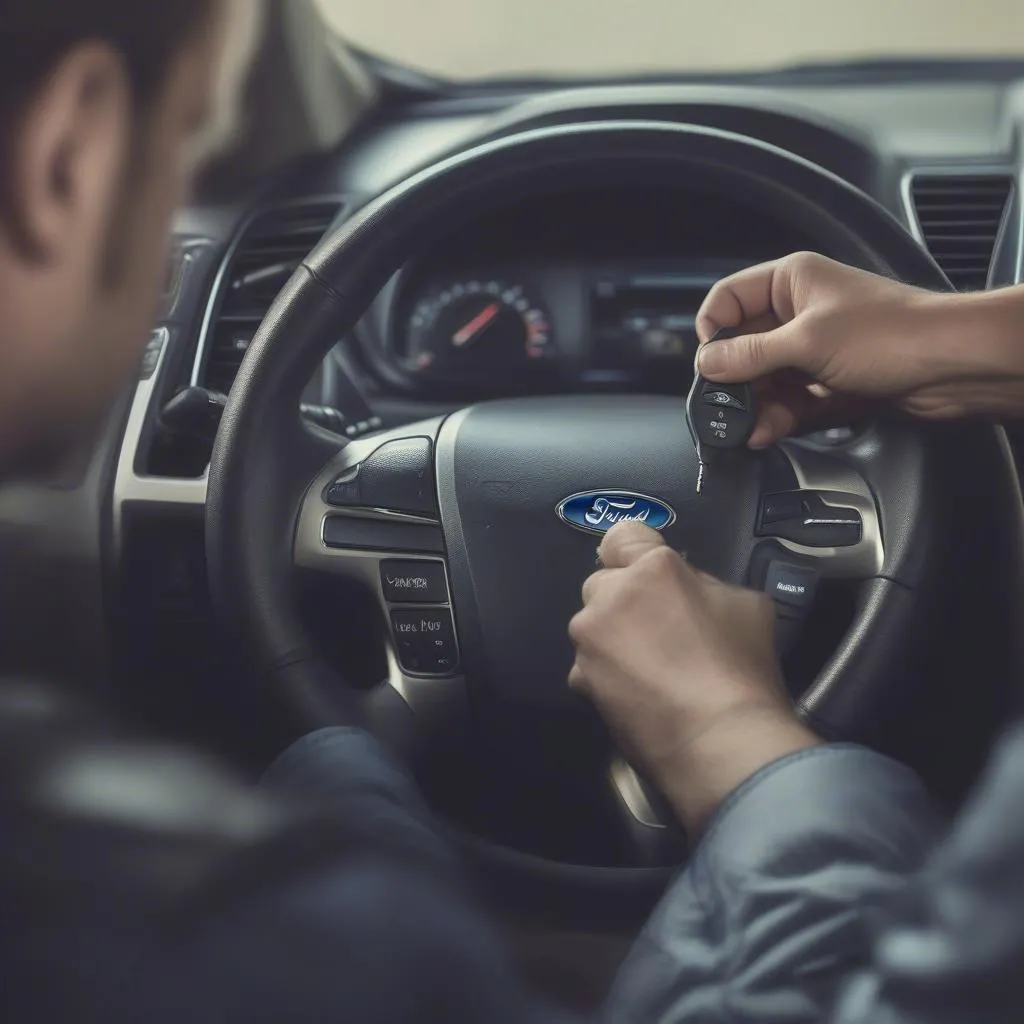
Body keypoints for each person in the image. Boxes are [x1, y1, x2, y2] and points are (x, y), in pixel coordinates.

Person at [1, 2, 1023, 1022]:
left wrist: (954, 342)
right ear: (69, 152)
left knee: (339, 762)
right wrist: (730, 728)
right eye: (187, 138)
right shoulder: (277, 940)